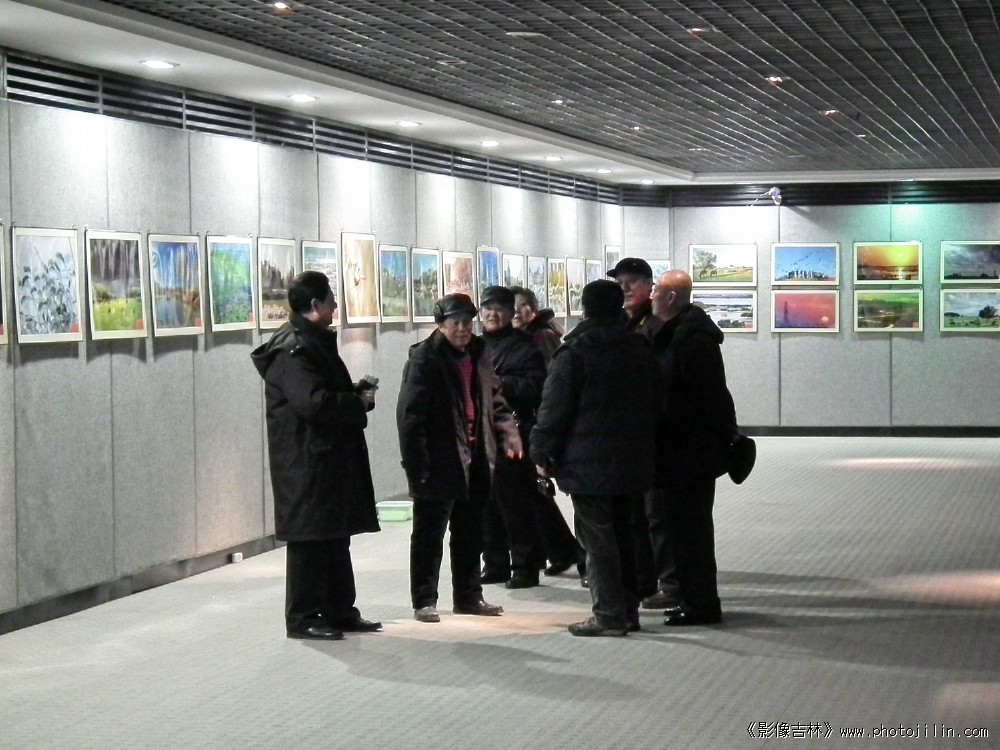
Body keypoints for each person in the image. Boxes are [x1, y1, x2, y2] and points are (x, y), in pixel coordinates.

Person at [250, 271, 381, 641]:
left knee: (335, 536)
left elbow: (321, 392)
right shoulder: (292, 349)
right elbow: (313, 403)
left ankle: (340, 610)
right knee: (309, 540)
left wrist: (352, 394)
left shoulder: (311, 340)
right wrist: (354, 403)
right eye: (330, 299)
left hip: (325, 457)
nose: (335, 305)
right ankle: (303, 617)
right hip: (305, 461)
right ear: (314, 305)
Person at [530, 280, 659, 637]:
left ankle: (608, 614)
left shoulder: (574, 351)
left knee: (598, 540)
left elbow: (554, 409)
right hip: (633, 458)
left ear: (585, 309)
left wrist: (540, 451)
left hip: (588, 463)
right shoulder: (638, 346)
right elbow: (656, 398)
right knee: (628, 535)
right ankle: (627, 610)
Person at [397, 293, 523, 623]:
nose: (464, 329)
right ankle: (425, 600)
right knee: (429, 534)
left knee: (470, 532)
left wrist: (508, 432)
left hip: (476, 455)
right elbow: (410, 417)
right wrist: (416, 465)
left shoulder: (479, 352)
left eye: (468, 322)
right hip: (439, 459)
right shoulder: (424, 359)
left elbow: (494, 397)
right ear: (440, 325)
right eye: (456, 323)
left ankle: (468, 596)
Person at [649, 270, 738, 626]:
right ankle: (692, 598)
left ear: (671, 298)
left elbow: (709, 397)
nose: (651, 296)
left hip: (688, 453)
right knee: (683, 530)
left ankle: (701, 604)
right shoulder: (681, 334)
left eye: (655, 290)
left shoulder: (690, 340)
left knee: (692, 532)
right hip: (682, 450)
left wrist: (723, 438)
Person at [606, 257, 678, 608]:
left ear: (650, 286)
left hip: (654, 432)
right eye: (619, 282)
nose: (625, 288)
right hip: (627, 436)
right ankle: (643, 581)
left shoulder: (657, 325)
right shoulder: (619, 324)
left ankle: (671, 583)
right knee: (634, 516)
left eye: (632, 281)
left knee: (656, 515)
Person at [510, 284, 585, 581]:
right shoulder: (522, 337)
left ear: (533, 308)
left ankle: (573, 553)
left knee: (537, 494)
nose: (516, 312)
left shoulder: (542, 337)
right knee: (534, 495)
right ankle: (562, 551)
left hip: (538, 424)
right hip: (529, 424)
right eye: (511, 307)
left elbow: (551, 384)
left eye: (521, 306)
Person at [478, 286, 547, 588]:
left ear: (510, 313)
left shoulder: (524, 346)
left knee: (515, 502)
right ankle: (495, 563)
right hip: (480, 435)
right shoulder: (474, 346)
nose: (492, 314)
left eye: (499, 309)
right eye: (487, 308)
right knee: (486, 503)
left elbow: (536, 387)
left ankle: (525, 566)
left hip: (512, 433)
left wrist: (498, 383)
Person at [511, 285, 564, 366]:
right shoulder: (511, 337)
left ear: (534, 310)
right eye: (512, 306)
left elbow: (554, 368)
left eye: (522, 305)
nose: (516, 310)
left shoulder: (544, 336)